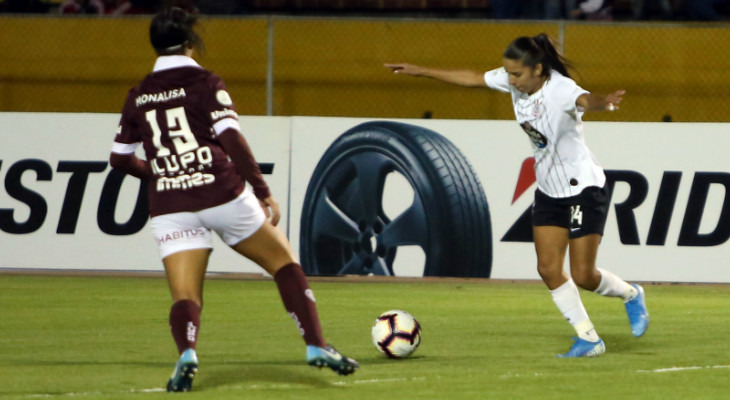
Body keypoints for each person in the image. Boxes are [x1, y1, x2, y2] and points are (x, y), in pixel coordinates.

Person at [109, 7, 358, 392]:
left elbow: (120, 158)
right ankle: (316, 345)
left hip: (170, 206)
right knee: (283, 262)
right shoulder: (206, 82)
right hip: (222, 192)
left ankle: (187, 353)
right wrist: (261, 191)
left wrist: (160, 173)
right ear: (192, 43)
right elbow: (232, 140)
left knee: (186, 295)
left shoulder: (139, 93)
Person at [384, 33, 649, 358]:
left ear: (538, 69)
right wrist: (420, 70)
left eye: (517, 74)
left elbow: (585, 100)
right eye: (508, 73)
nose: (510, 80)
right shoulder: (514, 81)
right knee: (548, 268)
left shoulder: (559, 89)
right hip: (550, 191)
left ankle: (631, 295)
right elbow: (471, 78)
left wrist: (603, 101)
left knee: (583, 275)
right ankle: (589, 338)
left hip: (584, 189)